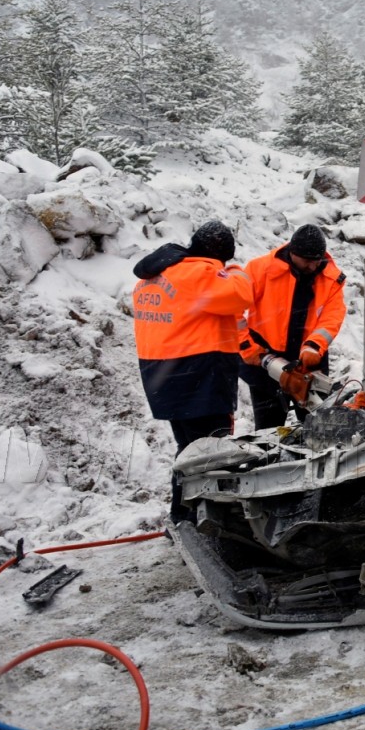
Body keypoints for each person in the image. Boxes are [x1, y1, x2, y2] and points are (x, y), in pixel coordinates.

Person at [132, 220, 252, 517]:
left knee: (189, 449)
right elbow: (240, 295)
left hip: (163, 375)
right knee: (210, 453)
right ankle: (207, 519)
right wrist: (234, 270)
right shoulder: (200, 274)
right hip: (198, 374)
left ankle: (182, 516)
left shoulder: (153, 275)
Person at [238, 224, 347, 430]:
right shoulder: (260, 270)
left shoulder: (330, 278)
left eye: (316, 261)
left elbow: (332, 315)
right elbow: (232, 311)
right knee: (268, 430)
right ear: (292, 253)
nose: (313, 267)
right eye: (307, 261)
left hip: (310, 360)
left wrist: (315, 345)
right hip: (265, 357)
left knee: (318, 427)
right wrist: (247, 347)